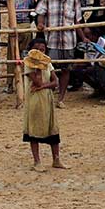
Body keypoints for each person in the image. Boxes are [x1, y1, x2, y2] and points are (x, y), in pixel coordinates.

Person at [34, 0, 84, 107]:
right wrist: (40, 23)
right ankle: (47, 94)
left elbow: (77, 20)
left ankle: (61, 98)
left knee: (66, 69)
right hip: (51, 39)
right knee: (49, 68)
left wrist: (83, 37)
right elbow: (41, 12)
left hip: (68, 40)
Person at [21, 39, 65, 172]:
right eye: (37, 50)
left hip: (47, 98)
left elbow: (55, 82)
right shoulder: (29, 64)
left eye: (42, 50)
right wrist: (38, 67)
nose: (40, 52)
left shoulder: (48, 63)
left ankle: (56, 159)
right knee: (34, 129)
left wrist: (43, 87)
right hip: (35, 100)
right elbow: (38, 81)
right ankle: (37, 161)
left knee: (52, 127)